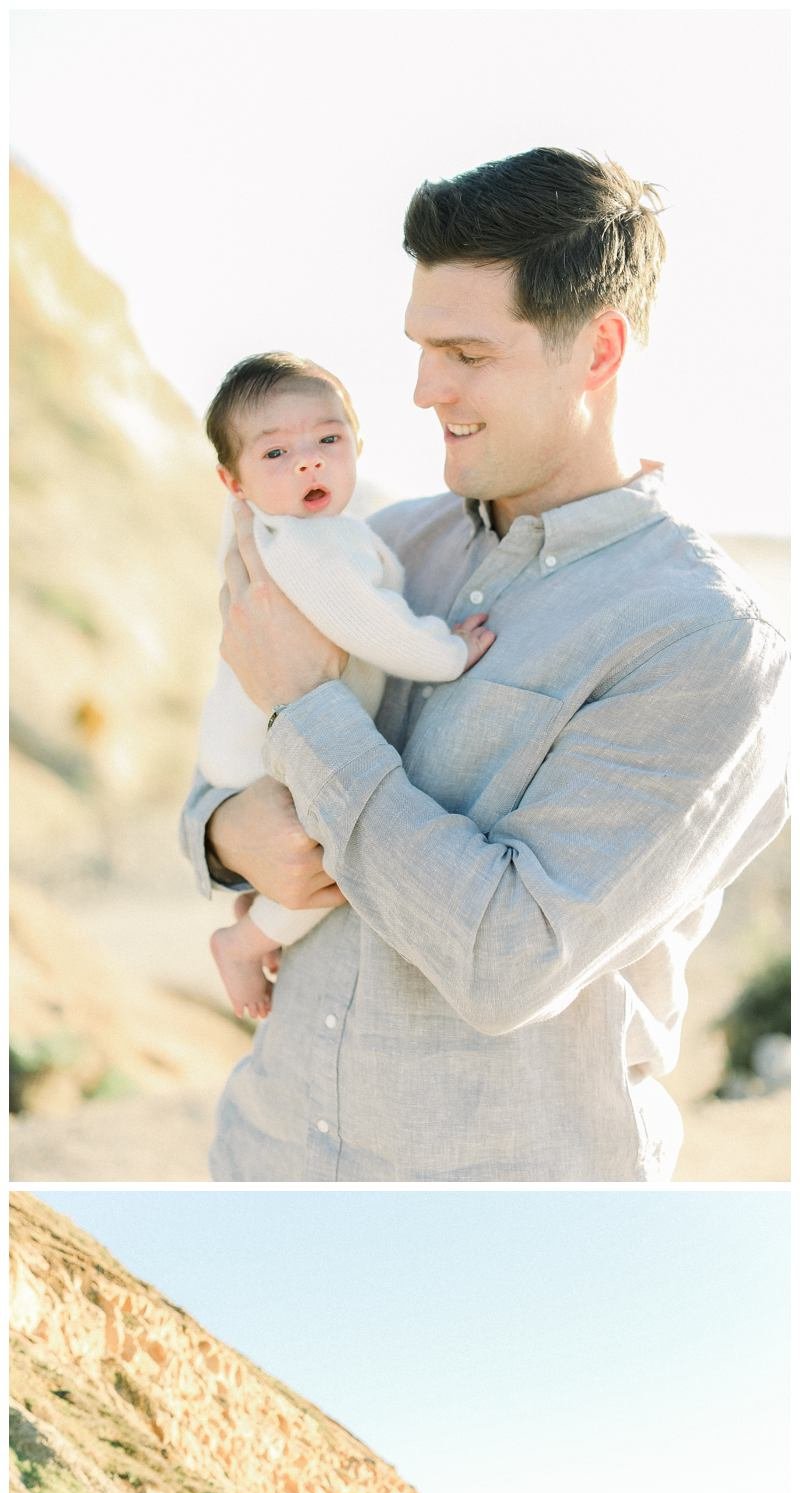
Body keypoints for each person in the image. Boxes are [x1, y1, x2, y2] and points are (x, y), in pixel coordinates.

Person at [179, 144, 788, 1194]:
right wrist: (229, 840)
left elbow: (506, 963)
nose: (420, 391)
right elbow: (208, 799)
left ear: (594, 351)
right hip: (263, 1170)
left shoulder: (702, 641)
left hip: (504, 1234)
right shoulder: (377, 545)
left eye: (465, 354)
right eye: (419, 348)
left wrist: (308, 707)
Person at [198, 356, 485, 1026]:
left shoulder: (279, 532)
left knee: (306, 849)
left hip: (245, 739)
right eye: (276, 452)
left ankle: (253, 912)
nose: (308, 463)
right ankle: (245, 941)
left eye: (328, 440)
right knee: (333, 852)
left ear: (358, 444)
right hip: (264, 746)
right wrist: (449, 651)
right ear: (232, 481)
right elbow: (375, 626)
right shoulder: (309, 547)